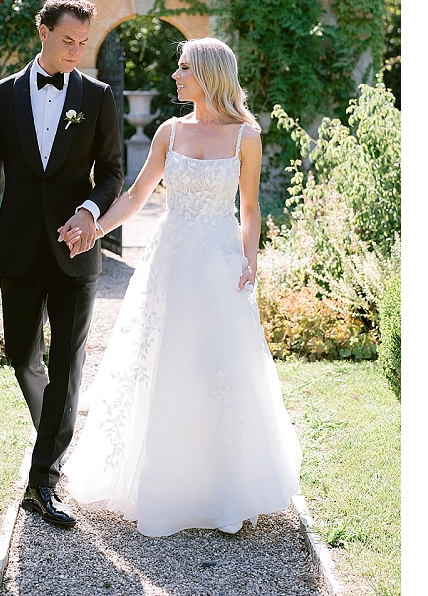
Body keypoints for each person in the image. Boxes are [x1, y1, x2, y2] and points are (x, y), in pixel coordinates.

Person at [60, 35, 302, 538]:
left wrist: (248, 261)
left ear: (209, 74)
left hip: (217, 264)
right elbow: (135, 195)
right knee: (164, 364)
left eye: (183, 68)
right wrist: (93, 230)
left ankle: (221, 489)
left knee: (215, 367)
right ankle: (164, 485)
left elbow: (251, 209)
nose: (175, 75)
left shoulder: (246, 136)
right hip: (169, 262)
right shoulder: (169, 131)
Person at [0, 0, 125, 529]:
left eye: (83, 43)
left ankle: (44, 480)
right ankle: (53, 434)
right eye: (67, 41)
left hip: (74, 252)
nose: (75, 52)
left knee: (68, 365)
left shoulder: (99, 96)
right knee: (21, 357)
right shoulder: (1, 94)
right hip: (15, 248)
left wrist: (90, 212)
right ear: (43, 32)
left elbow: (112, 172)